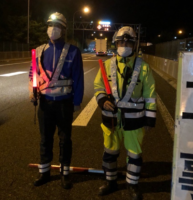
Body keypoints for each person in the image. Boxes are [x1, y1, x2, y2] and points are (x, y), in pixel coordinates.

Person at [94, 26, 156, 200]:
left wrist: (150, 118)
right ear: (116, 43)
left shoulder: (143, 67)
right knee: (109, 152)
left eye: (128, 42)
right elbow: (99, 86)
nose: (124, 45)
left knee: (134, 155)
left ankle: (132, 184)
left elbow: (150, 93)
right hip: (111, 119)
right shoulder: (106, 65)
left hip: (134, 120)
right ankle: (110, 181)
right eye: (121, 42)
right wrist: (101, 100)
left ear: (134, 44)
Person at [28, 12, 84, 189]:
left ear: (63, 30)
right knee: (45, 138)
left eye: (57, 26)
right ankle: (44, 172)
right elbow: (33, 74)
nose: (53, 29)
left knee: (65, 139)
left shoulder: (73, 51)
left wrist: (77, 102)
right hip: (44, 102)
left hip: (64, 103)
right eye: (51, 25)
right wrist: (32, 90)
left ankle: (65, 174)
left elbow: (78, 78)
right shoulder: (39, 51)